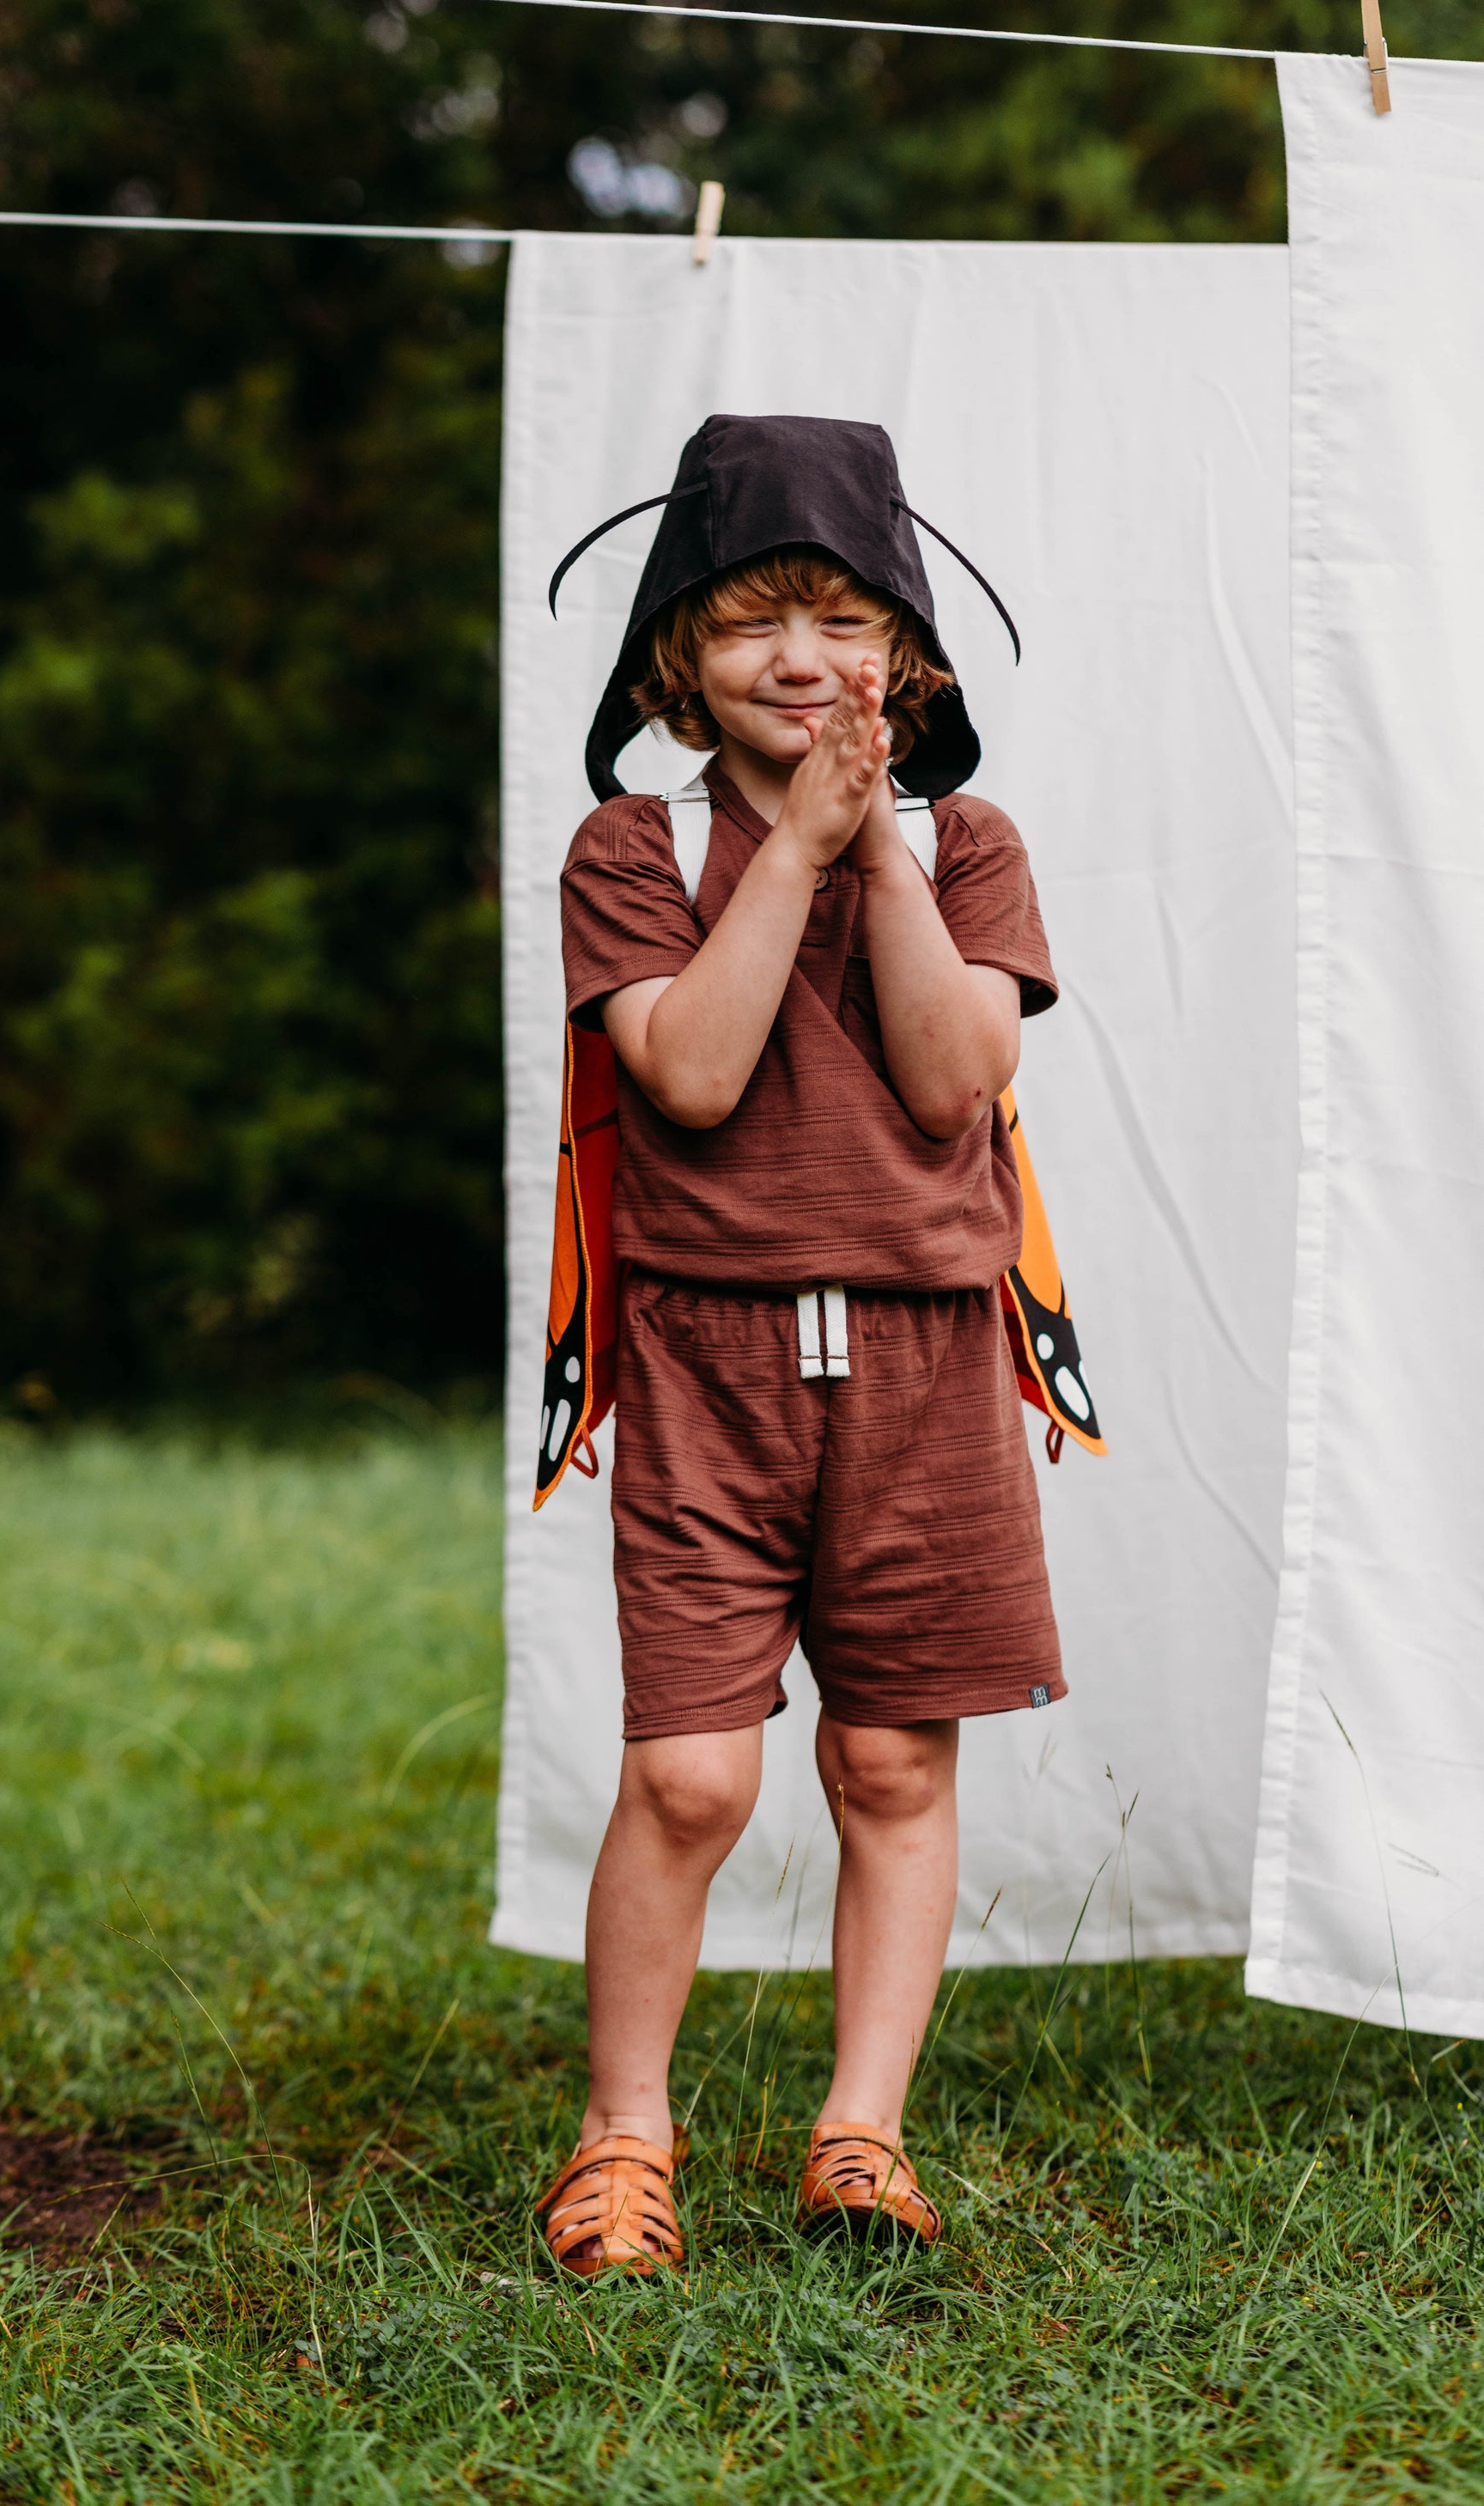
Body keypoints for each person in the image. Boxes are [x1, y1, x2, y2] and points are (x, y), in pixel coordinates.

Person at [534, 415, 1062, 2277]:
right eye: (750, 616)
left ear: (900, 664)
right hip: (709, 1361)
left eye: (841, 618)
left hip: (924, 1368)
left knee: (893, 1766)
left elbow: (954, 1078)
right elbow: (683, 1073)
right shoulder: (635, 843)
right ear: (680, 659)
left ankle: (861, 2130)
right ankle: (622, 2134)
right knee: (689, 1773)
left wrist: (880, 856)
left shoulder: (965, 841)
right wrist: (791, 856)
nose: (797, 654)